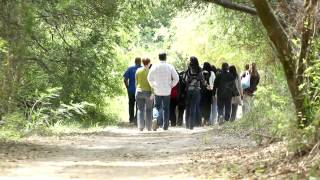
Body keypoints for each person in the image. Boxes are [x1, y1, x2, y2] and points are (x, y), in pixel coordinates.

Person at [147, 52, 179, 130]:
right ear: (165, 57)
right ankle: (165, 126)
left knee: (157, 106)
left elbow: (149, 78)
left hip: (157, 90)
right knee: (166, 108)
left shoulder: (154, 66)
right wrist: (171, 85)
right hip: (167, 91)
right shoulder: (170, 67)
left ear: (159, 57)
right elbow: (176, 78)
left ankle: (155, 118)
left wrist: (153, 85)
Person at [184, 56, 205, 130]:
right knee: (193, 107)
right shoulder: (199, 69)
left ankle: (187, 124)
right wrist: (206, 85)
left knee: (188, 107)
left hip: (189, 90)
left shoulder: (188, 69)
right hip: (196, 90)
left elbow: (185, 79)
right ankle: (191, 125)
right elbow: (202, 80)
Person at [135, 58, 153, 131]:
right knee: (149, 109)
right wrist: (153, 93)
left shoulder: (138, 70)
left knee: (140, 109)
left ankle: (140, 127)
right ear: (148, 63)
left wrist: (137, 89)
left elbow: (136, 82)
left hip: (139, 91)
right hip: (148, 92)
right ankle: (148, 127)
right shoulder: (151, 71)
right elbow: (152, 84)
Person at [123, 57, 141, 124]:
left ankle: (131, 119)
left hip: (131, 90)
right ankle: (137, 119)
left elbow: (125, 79)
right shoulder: (142, 69)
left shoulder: (130, 69)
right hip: (140, 90)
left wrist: (127, 87)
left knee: (131, 104)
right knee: (139, 105)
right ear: (140, 62)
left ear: (135, 61)